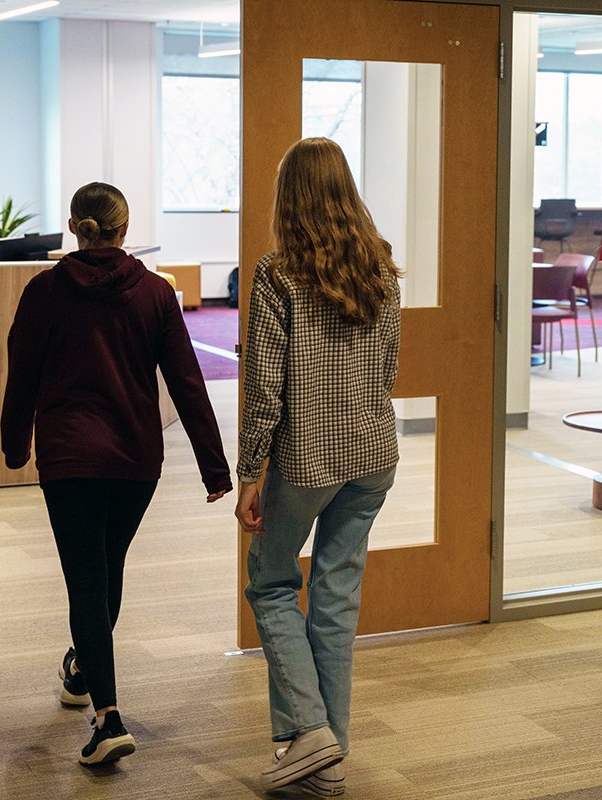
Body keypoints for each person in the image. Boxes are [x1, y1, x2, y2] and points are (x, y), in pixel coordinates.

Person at [0, 181, 233, 766]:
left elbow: (21, 374)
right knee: (105, 569)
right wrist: (213, 464)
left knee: (88, 579)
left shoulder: (44, 293)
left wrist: (13, 445)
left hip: (71, 457)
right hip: (135, 460)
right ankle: (81, 672)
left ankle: (108, 719)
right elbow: (187, 381)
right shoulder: (155, 293)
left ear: (75, 226)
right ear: (124, 231)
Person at [236, 137, 401, 796]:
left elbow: (263, 386)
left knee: (271, 582)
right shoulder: (381, 270)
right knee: (334, 602)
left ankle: (309, 734)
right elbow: (389, 370)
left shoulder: (276, 274)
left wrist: (251, 470)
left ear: (289, 198)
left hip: (307, 462)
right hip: (373, 457)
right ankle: (327, 766)